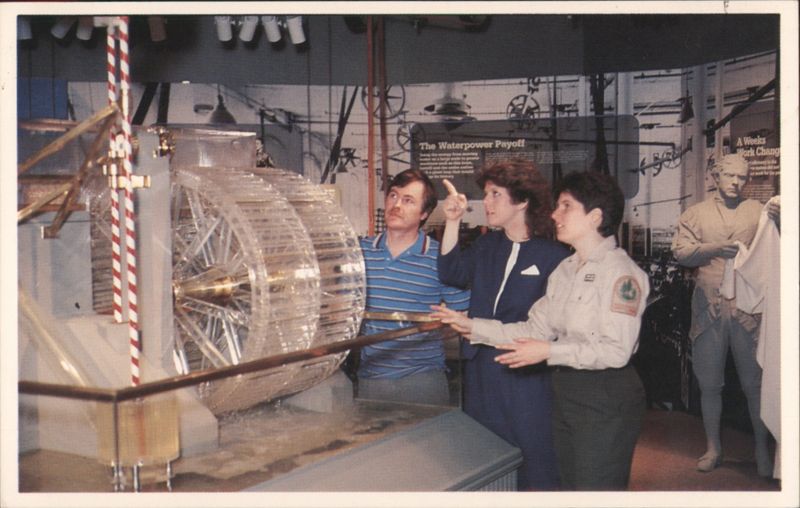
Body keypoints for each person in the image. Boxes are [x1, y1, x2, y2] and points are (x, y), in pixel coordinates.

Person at [432, 170, 649, 491]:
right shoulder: (566, 269)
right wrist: (472, 327)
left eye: (566, 207)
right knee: (566, 483)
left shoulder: (621, 274)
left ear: (595, 217)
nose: (554, 214)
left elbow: (615, 351)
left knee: (595, 486)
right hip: (565, 389)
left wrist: (548, 351)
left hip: (605, 394)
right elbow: (534, 328)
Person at [436, 160, 569, 491]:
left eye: (496, 194)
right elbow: (452, 273)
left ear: (522, 201)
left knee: (532, 455)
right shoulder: (486, 246)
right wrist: (452, 221)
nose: (488, 203)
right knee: (484, 453)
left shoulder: (555, 255)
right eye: (486, 194)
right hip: (480, 368)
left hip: (524, 372)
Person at [671, 153, 778, 476]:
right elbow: (681, 253)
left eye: (742, 177)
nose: (736, 182)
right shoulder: (697, 213)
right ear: (715, 176)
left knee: (754, 384)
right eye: (730, 176)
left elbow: (779, 245)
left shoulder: (757, 212)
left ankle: (762, 450)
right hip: (709, 309)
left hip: (748, 310)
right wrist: (716, 248)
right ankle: (713, 447)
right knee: (710, 385)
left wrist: (782, 218)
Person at [356, 168, 470, 405]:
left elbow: (463, 314)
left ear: (424, 213)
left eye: (408, 200)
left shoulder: (440, 256)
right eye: (394, 196)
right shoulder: (360, 252)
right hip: (371, 380)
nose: (396, 205)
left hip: (422, 381)